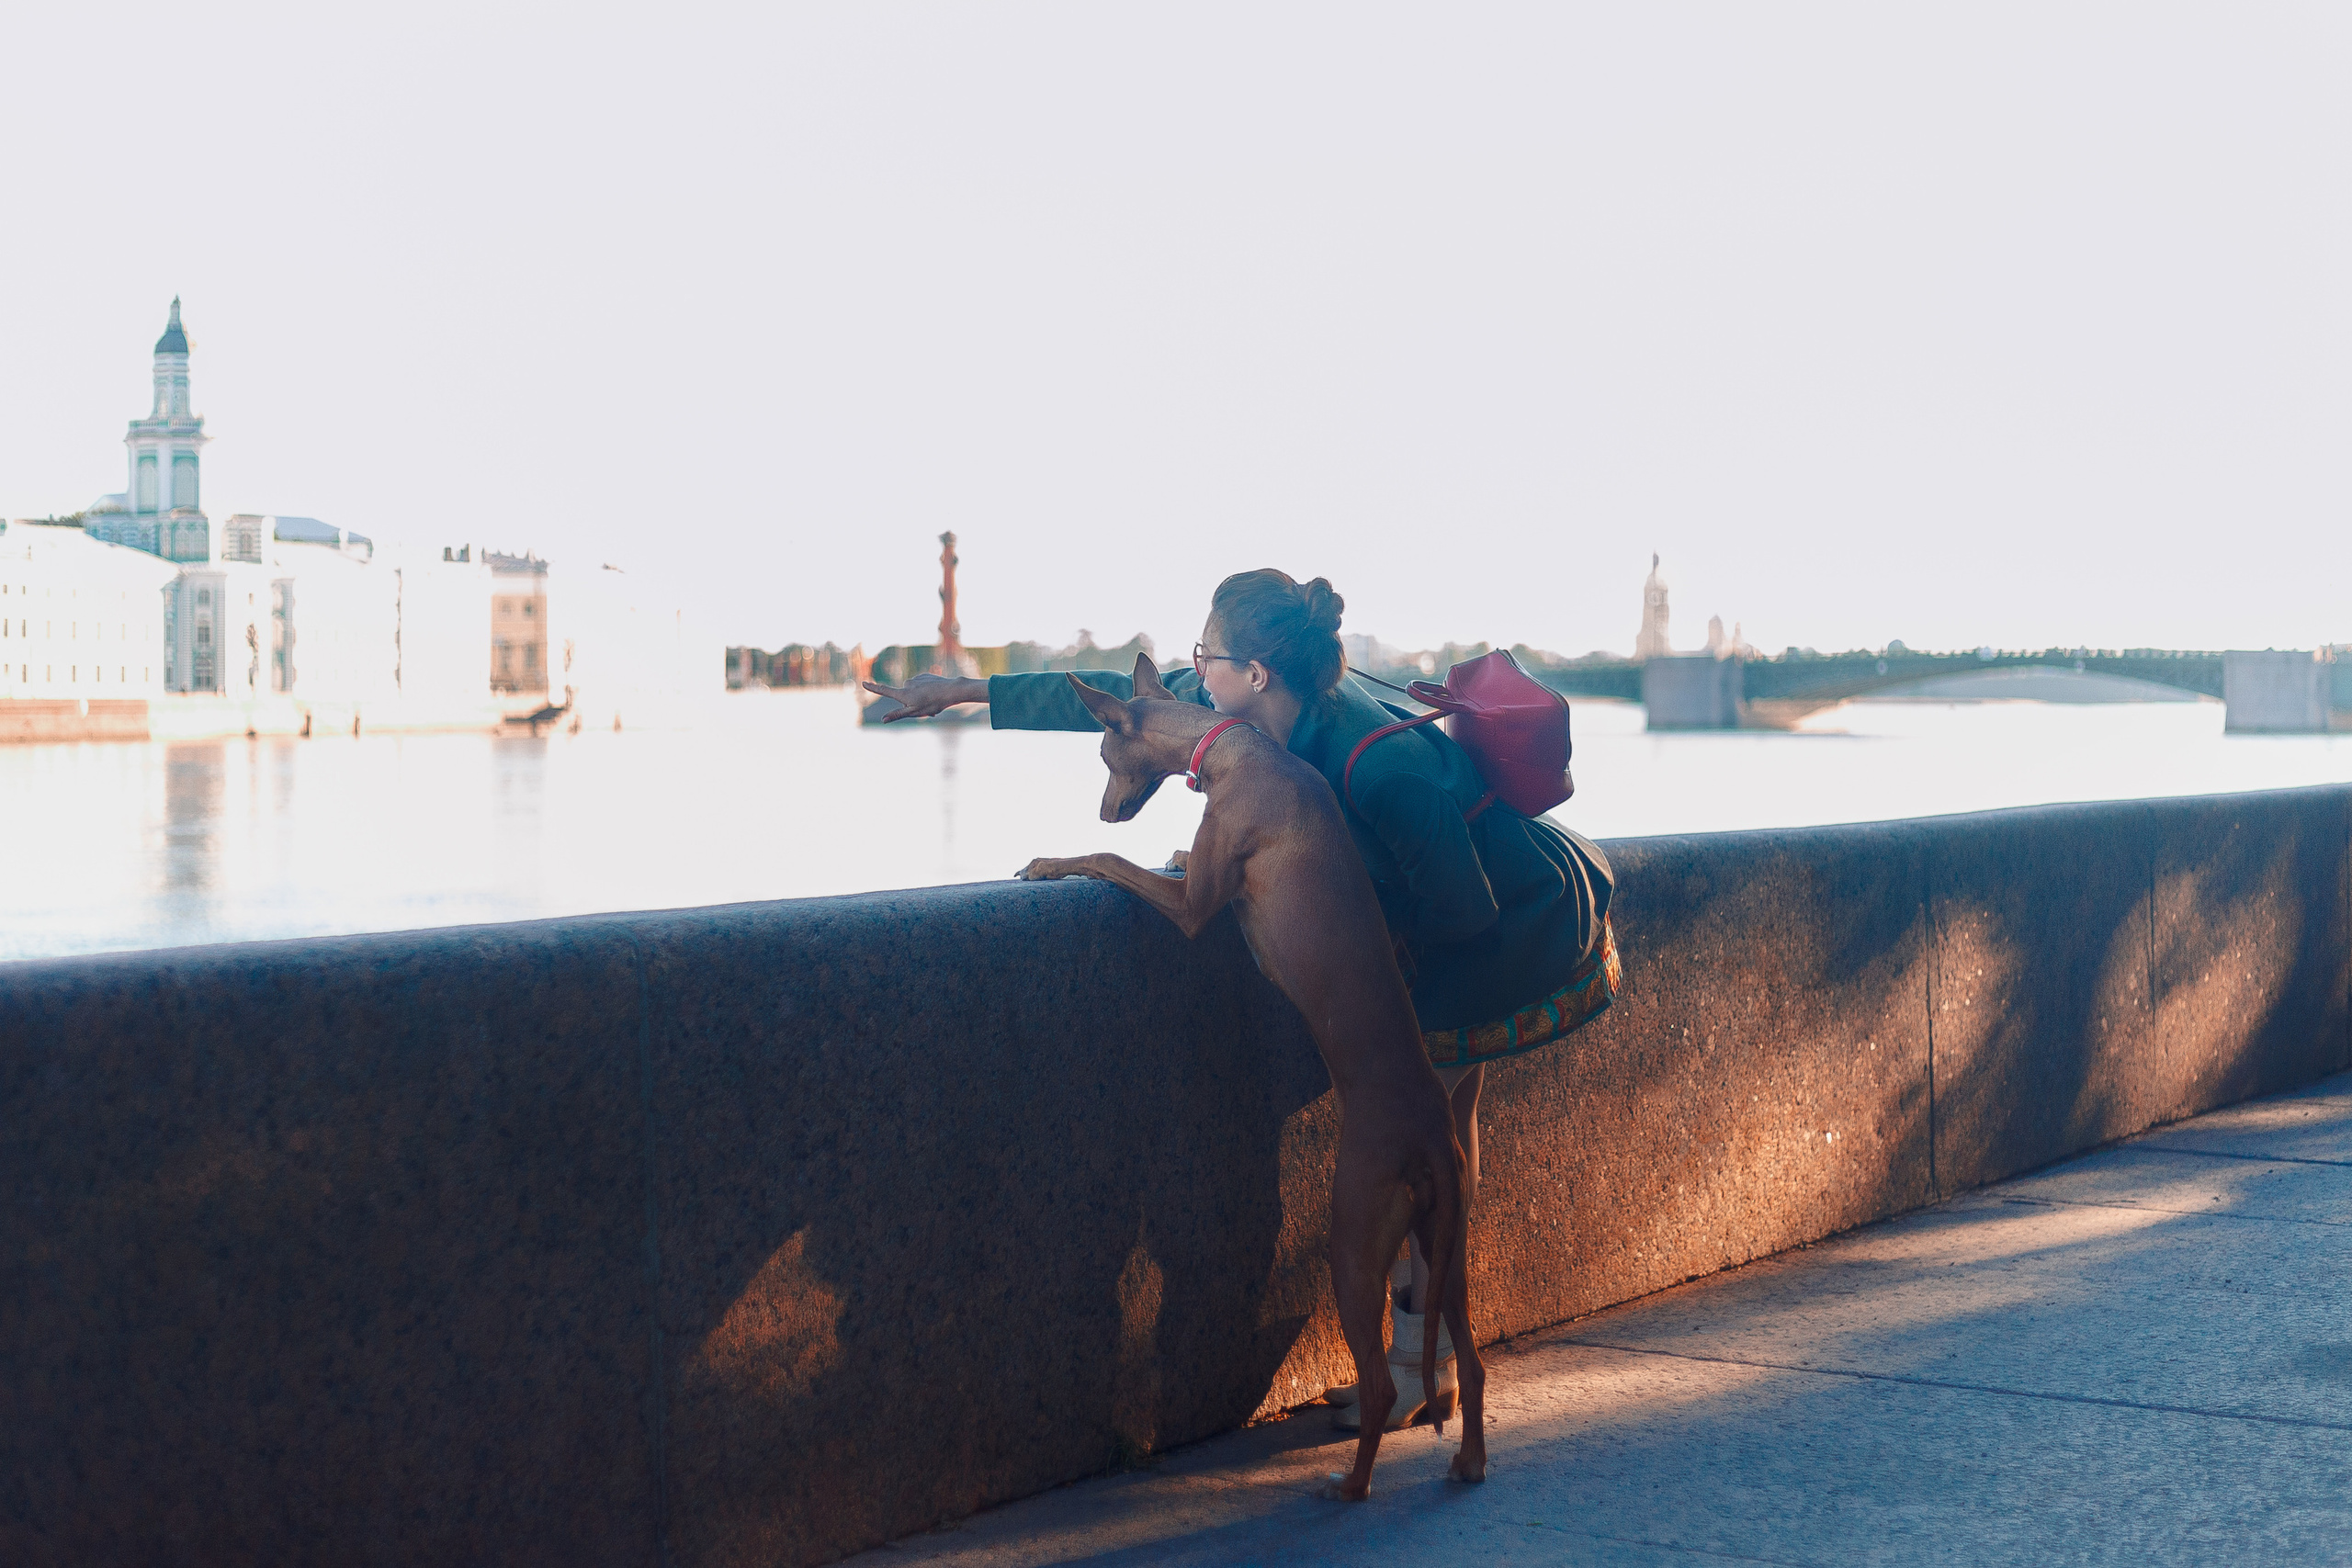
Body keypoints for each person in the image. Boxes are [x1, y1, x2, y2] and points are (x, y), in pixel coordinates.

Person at [864, 569, 1618, 1426]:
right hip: (1466, 903)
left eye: (1205, 655)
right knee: (1440, 1129)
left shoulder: (1381, 767)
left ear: (1256, 673)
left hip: (1517, 921)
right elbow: (1125, 703)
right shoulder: (1242, 706)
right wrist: (955, 691)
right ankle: (1428, 1367)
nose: (1194, 672)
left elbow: (1461, 908)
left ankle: (1420, 1366)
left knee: (1427, 1137)